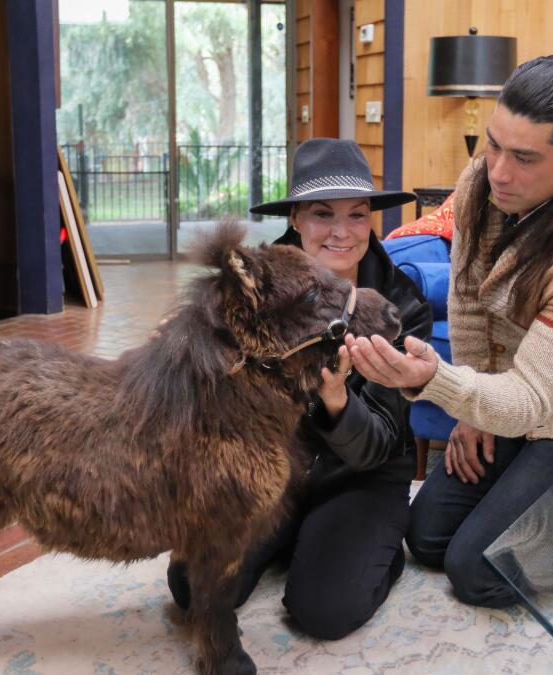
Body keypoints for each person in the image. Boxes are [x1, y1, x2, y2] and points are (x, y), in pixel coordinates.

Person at [346, 56, 553, 608]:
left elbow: (527, 401)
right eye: (494, 145)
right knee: (426, 538)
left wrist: (440, 382)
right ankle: (549, 498)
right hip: (522, 399)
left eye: (524, 157)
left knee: (476, 571)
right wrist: (473, 408)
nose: (498, 171)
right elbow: (471, 300)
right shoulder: (484, 185)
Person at [167, 138, 433, 639]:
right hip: (275, 471)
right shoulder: (257, 289)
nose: (341, 231)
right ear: (295, 218)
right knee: (188, 586)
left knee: (324, 612)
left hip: (361, 475)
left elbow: (376, 447)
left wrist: (336, 401)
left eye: (357, 215)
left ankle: (372, 546)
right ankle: (291, 535)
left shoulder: (401, 303)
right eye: (322, 214)